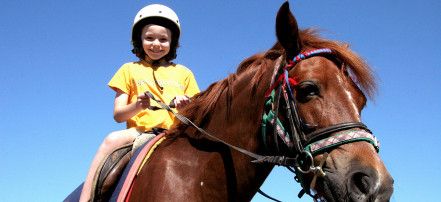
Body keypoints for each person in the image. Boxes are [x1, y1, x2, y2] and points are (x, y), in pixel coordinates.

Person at [79, 4, 200, 201]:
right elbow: (118, 115)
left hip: (176, 134)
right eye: (149, 38)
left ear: (173, 43)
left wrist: (186, 108)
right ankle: (86, 199)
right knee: (111, 139)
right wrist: (138, 105)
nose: (156, 44)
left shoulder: (185, 73)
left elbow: (197, 114)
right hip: (140, 133)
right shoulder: (128, 69)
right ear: (139, 40)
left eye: (163, 39)